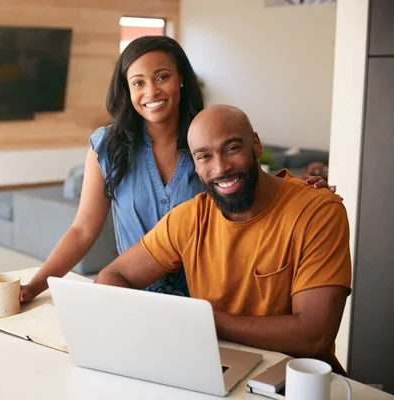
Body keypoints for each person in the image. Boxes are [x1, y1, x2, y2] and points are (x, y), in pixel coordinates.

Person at [19, 36, 336, 303]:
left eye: (161, 77)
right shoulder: (107, 146)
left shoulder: (207, 140)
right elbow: (83, 230)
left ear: (181, 77)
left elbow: (249, 188)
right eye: (138, 82)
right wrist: (36, 285)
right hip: (131, 293)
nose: (151, 91)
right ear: (127, 91)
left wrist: (301, 193)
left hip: (210, 299)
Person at [94, 105, 352, 375]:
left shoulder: (317, 211)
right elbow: (114, 274)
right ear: (195, 163)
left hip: (294, 379)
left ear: (255, 144)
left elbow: (314, 336)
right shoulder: (190, 217)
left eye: (231, 149)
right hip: (215, 370)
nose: (220, 168)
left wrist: (204, 320)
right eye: (204, 156)